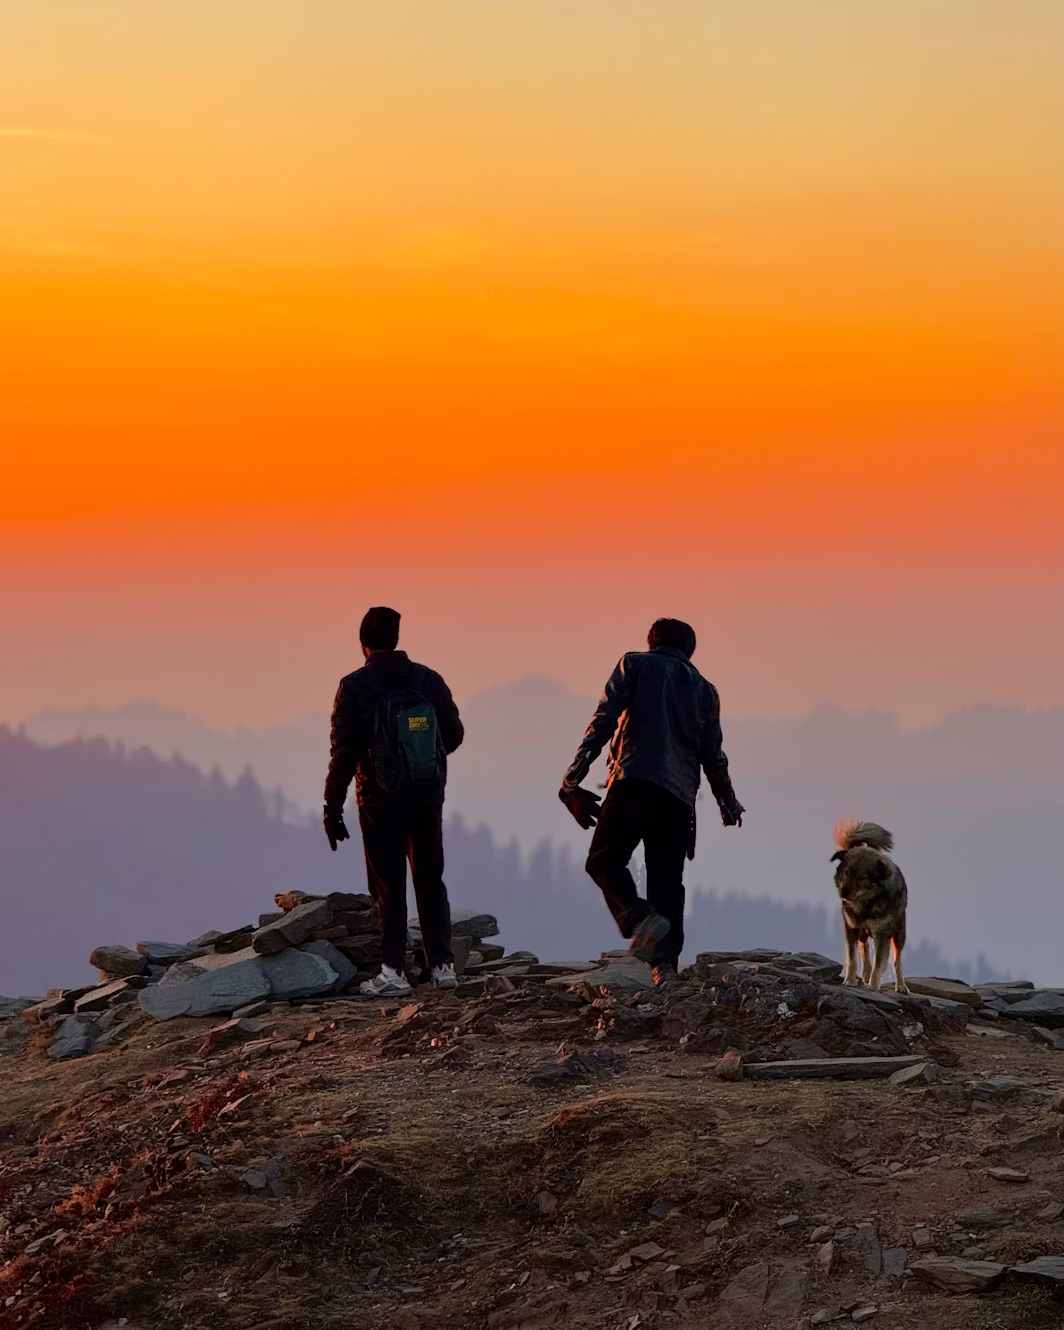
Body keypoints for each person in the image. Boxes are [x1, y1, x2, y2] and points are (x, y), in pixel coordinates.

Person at [559, 617, 744, 985]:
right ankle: (666, 968)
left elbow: (603, 721)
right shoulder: (705, 690)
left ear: (651, 642)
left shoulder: (635, 664)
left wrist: (572, 779)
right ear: (689, 650)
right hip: (678, 799)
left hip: (633, 782)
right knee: (667, 882)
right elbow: (713, 754)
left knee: (604, 861)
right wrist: (727, 800)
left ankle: (640, 920)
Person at [323, 606, 465, 996]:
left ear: (362, 642)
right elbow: (453, 734)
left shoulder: (354, 686)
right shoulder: (428, 679)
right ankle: (442, 966)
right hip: (427, 795)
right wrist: (419, 761)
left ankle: (393, 972)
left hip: (379, 799)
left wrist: (332, 808)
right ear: (397, 638)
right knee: (430, 879)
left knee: (389, 884)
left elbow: (344, 753)